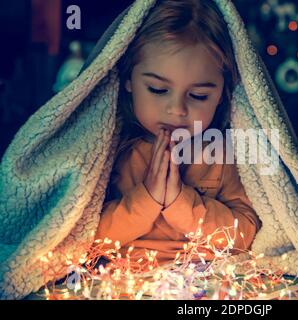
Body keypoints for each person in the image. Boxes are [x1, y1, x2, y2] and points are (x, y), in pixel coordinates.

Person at [94, 0, 262, 265]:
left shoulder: (219, 153)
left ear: (221, 95)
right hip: (121, 277)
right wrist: (147, 197)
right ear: (127, 80)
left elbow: (245, 235)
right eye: (158, 90)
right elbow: (85, 235)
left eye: (198, 95)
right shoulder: (109, 150)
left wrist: (180, 202)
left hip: (206, 280)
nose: (177, 109)